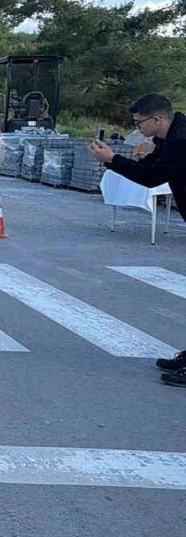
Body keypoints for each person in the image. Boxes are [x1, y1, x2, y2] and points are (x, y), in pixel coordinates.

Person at [89, 93, 186, 387]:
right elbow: (149, 168)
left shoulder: (181, 142)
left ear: (158, 119)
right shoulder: (171, 138)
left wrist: (112, 160)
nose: (137, 128)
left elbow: (151, 179)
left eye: (139, 122)